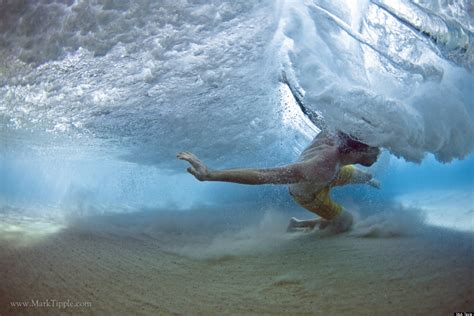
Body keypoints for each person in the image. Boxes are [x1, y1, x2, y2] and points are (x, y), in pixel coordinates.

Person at [177, 131, 380, 233]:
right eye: (374, 148)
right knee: (347, 222)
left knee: (365, 176)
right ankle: (299, 224)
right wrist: (212, 174)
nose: (378, 152)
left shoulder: (337, 134)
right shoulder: (320, 167)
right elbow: (264, 175)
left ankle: (367, 180)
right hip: (309, 193)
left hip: (335, 173)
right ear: (356, 150)